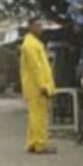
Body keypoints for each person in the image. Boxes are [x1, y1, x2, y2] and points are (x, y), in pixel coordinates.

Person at [20, 17, 56, 154]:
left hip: (37, 85)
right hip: (37, 86)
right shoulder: (30, 45)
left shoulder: (34, 43)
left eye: (41, 25)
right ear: (31, 27)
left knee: (35, 115)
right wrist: (43, 85)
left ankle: (32, 142)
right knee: (39, 117)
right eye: (38, 25)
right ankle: (41, 144)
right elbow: (36, 67)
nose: (41, 28)